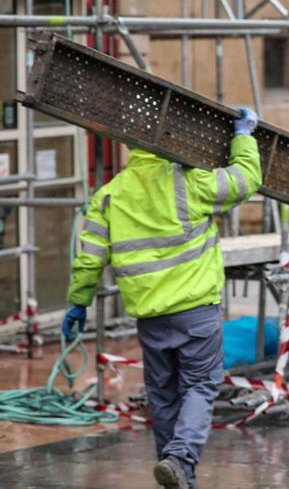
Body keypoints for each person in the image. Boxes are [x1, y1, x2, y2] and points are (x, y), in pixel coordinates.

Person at [62, 108, 263, 489]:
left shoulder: (109, 195)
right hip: (196, 310)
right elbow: (245, 180)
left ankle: (175, 471)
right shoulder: (187, 181)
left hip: (150, 316)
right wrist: (243, 136)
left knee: (164, 393)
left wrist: (78, 302)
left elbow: (89, 258)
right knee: (200, 386)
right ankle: (181, 458)